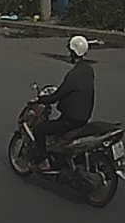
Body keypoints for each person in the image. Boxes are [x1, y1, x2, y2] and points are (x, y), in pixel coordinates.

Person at [32, 35, 95, 171]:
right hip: (84, 118)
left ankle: (44, 161)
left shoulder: (73, 75)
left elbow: (57, 96)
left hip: (70, 120)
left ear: (73, 52)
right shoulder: (88, 70)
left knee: (39, 129)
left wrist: (40, 100)